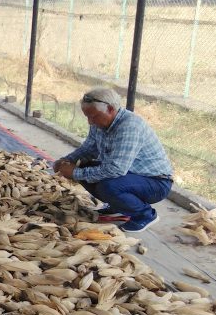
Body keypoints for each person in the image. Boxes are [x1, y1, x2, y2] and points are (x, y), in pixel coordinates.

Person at [53, 87, 173, 233]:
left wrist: (75, 173)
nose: (90, 122)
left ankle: (145, 215)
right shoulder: (99, 123)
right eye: (87, 117)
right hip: (130, 175)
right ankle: (117, 205)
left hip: (156, 182)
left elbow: (116, 169)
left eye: (94, 116)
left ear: (110, 109)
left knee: (108, 186)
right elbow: (89, 149)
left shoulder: (129, 126)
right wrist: (66, 161)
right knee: (85, 166)